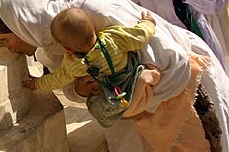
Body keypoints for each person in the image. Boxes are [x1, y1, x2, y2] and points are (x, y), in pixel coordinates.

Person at [0, 0, 229, 152]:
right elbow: (68, 85)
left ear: (19, 25)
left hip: (181, 96)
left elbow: (172, 63)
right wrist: (81, 89)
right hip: (131, 114)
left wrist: (136, 102)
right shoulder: (51, 47)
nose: (9, 48)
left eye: (6, 39)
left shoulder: (92, 10)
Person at [23, 8, 156, 127]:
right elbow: (140, 36)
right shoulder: (113, 39)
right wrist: (148, 23)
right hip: (130, 78)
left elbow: (56, 79)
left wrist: (37, 83)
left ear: (67, 49)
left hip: (111, 92)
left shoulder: (73, 65)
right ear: (94, 27)